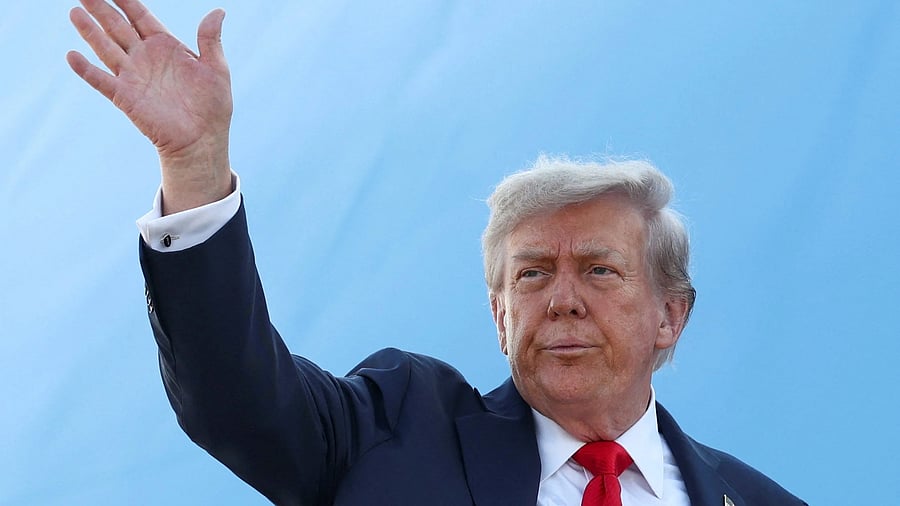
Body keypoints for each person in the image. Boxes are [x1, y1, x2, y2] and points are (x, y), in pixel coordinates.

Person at [68, 1, 807, 505]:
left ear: (670, 315)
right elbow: (238, 400)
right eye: (532, 273)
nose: (562, 299)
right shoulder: (395, 427)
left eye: (600, 269)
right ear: (501, 317)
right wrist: (196, 168)